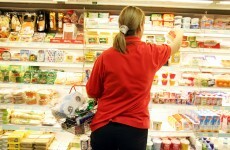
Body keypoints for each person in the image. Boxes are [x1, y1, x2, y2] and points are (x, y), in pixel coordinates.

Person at [86, 6, 183, 150]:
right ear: (141, 26)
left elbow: (92, 92)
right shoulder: (151, 52)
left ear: (121, 26)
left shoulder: (105, 57)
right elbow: (176, 45)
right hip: (135, 130)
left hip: (104, 127)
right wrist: (178, 31)